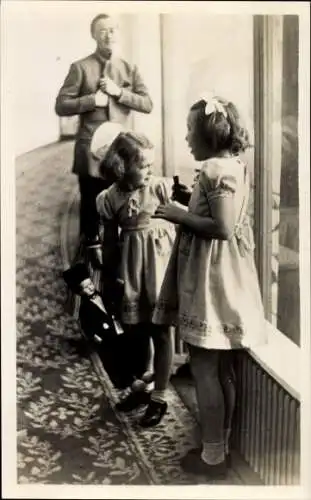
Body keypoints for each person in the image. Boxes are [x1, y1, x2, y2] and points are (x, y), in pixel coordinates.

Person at [152, 93, 267, 479]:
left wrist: (178, 214)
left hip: (212, 279)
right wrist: (191, 201)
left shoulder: (217, 170)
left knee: (205, 369)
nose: (185, 138)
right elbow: (221, 214)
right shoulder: (231, 164)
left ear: (208, 134)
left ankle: (213, 457)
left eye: (189, 131)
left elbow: (222, 228)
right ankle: (220, 446)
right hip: (224, 274)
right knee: (222, 371)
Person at [55, 13, 153, 268]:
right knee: (90, 199)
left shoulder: (129, 68)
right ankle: (90, 250)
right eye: (102, 31)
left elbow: (147, 104)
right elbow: (61, 105)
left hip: (121, 147)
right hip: (89, 145)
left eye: (112, 30)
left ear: (118, 33)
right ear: (93, 35)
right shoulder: (80, 67)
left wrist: (118, 92)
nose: (108, 35)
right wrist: (91, 101)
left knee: (119, 197)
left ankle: (119, 251)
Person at [96, 130, 176, 427]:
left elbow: (176, 227)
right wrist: (109, 277)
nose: (149, 171)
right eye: (143, 166)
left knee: (161, 331)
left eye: (150, 165)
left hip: (159, 268)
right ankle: (143, 387)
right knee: (137, 331)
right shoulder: (108, 199)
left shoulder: (159, 188)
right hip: (131, 270)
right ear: (121, 167)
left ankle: (160, 397)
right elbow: (109, 243)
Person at [62, 262, 150, 390]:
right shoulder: (85, 309)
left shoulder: (102, 295)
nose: (91, 288)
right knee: (116, 355)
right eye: (86, 288)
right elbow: (87, 327)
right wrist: (97, 339)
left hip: (117, 328)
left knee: (133, 342)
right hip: (106, 336)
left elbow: (112, 304)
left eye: (90, 284)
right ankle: (130, 381)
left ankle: (141, 372)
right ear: (80, 292)